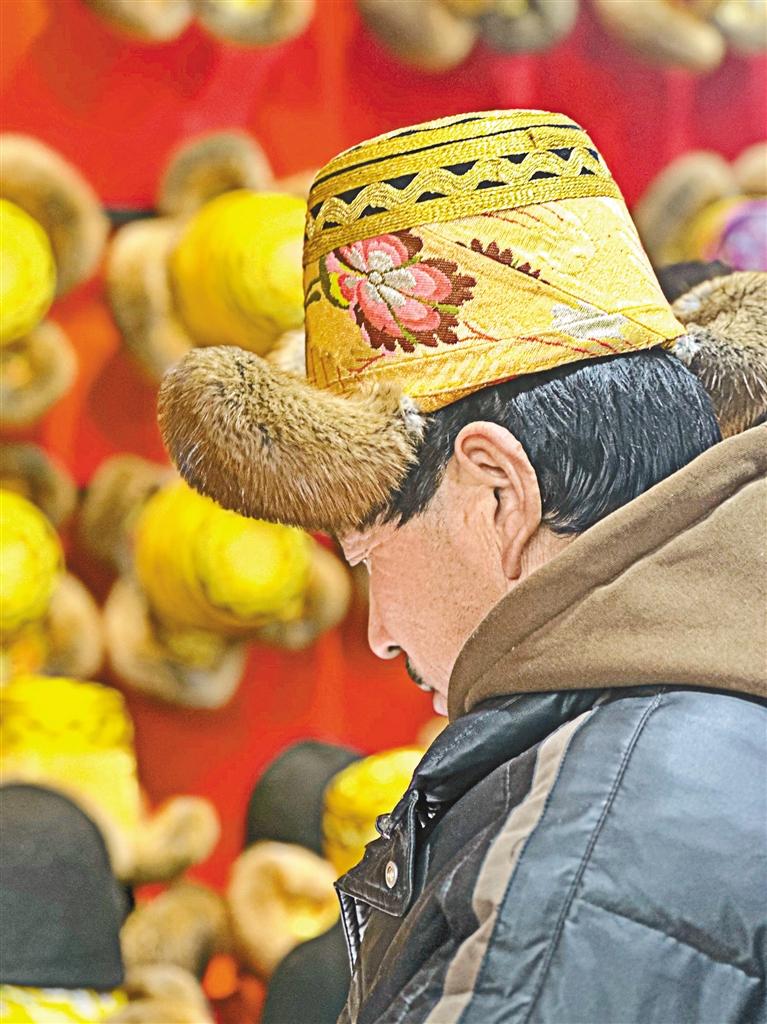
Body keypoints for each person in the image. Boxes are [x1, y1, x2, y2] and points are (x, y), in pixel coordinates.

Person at [158, 111, 766, 1023]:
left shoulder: (578, 848)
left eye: (368, 557)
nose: (378, 634)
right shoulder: (703, 725)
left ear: (495, 495)